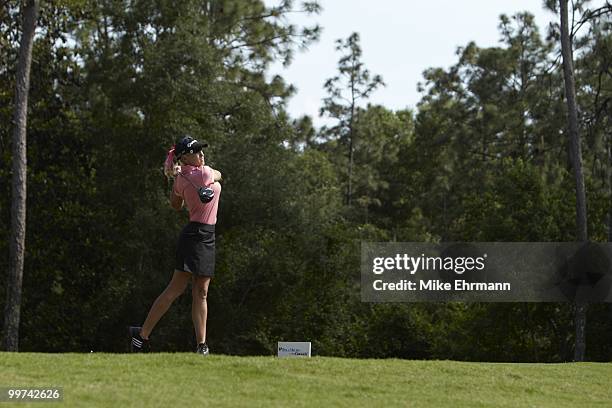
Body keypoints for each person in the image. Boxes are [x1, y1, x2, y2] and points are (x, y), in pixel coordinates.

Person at [129, 136, 222, 355]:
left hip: (206, 236)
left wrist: (178, 180)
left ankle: (202, 345)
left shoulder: (184, 178)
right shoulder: (204, 172)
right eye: (196, 151)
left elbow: (175, 204)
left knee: (202, 292)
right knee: (176, 289)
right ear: (185, 157)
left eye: (201, 150)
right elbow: (219, 175)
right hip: (195, 235)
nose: (201, 154)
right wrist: (188, 179)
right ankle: (141, 336)